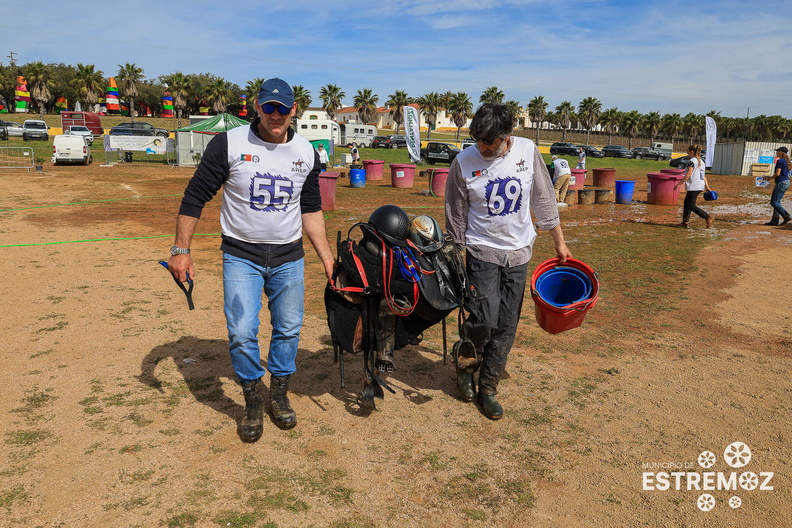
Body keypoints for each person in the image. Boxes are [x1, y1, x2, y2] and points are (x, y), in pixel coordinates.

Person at [166, 77, 334, 443]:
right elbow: (195, 196)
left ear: (293, 111)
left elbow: (311, 210)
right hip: (242, 256)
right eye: (268, 107)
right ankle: (253, 398)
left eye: (283, 108)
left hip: (289, 257)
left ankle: (279, 394)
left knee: (288, 329)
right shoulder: (229, 143)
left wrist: (328, 260)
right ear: (257, 107)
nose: (276, 115)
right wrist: (181, 250)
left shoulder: (307, 152)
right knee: (242, 333)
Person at [444, 103, 572, 420]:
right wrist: (455, 256)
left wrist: (559, 241)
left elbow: (543, 198)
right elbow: (456, 216)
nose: (484, 148)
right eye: (480, 141)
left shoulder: (528, 151)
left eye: (491, 142)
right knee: (484, 319)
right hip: (481, 250)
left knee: (506, 325)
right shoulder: (463, 162)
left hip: (518, 252)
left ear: (508, 136)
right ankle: (465, 365)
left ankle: (488, 388)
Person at [673, 144, 714, 229]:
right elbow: (703, 176)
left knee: (691, 205)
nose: (687, 153)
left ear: (692, 152)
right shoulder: (701, 162)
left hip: (694, 185)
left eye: (688, 151)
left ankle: (707, 217)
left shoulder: (692, 161)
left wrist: (679, 184)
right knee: (687, 203)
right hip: (699, 185)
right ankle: (685, 222)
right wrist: (707, 186)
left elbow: (688, 175)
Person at [763, 146, 791, 225]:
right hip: (786, 182)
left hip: (781, 182)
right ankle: (774, 220)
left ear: (781, 152)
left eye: (777, 151)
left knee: (774, 202)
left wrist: (770, 178)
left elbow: (778, 173)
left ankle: (786, 216)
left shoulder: (780, 161)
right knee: (777, 202)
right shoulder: (787, 161)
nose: (776, 152)